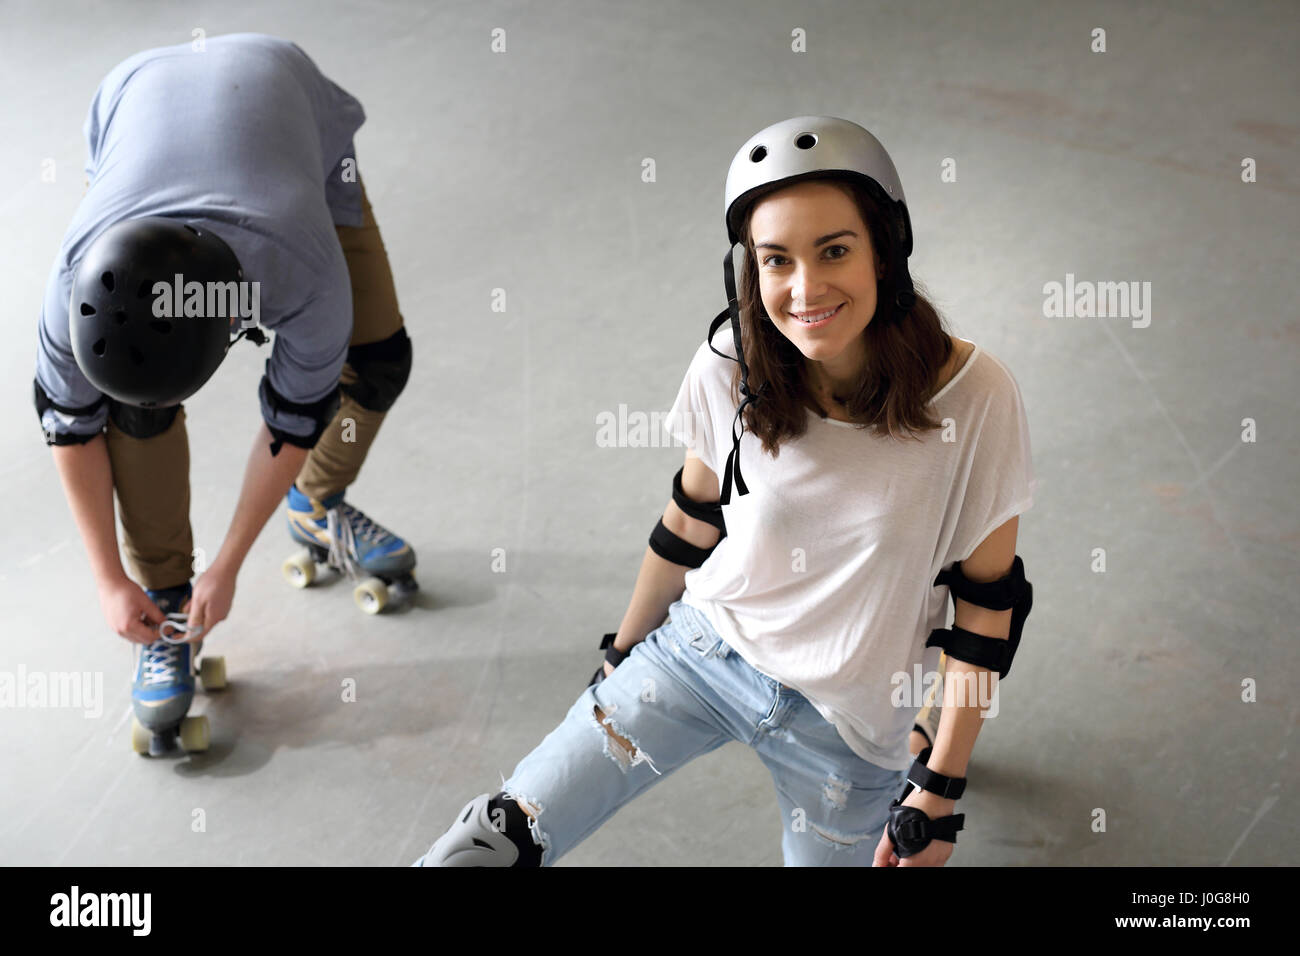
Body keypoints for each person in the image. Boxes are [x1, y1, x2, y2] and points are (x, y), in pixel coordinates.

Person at [412, 116, 1036, 867]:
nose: (805, 288)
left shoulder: (975, 398)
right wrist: (623, 651)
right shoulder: (730, 363)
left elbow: (985, 611)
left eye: (834, 250)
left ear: (887, 251)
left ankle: (916, 741)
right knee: (490, 844)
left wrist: (939, 788)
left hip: (850, 722)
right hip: (702, 653)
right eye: (777, 261)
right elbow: (690, 518)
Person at [34, 33, 415, 755]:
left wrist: (230, 563)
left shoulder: (303, 273)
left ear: (236, 320)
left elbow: (292, 420)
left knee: (376, 359)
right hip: (133, 95)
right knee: (130, 411)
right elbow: (71, 428)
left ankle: (315, 505)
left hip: (286, 96)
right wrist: (111, 580)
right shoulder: (70, 287)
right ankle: (167, 599)